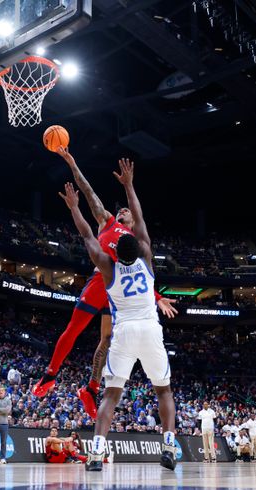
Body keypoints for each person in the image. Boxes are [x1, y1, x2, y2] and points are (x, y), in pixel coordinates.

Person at [32, 150, 177, 420]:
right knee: (74, 329)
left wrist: (157, 297)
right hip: (101, 282)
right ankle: (50, 375)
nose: (123, 209)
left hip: (121, 295)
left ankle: (91, 389)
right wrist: (73, 163)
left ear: (133, 220)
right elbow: (88, 193)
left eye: (127, 210)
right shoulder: (107, 222)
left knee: (108, 340)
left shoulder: (137, 241)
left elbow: (142, 277)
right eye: (121, 208)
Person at [58, 166, 177, 472]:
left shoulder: (107, 268)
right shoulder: (147, 258)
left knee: (111, 395)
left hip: (123, 331)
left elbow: (86, 234)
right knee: (163, 391)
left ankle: (96, 452)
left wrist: (74, 208)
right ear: (138, 246)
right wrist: (130, 186)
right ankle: (168, 447)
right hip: (150, 330)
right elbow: (140, 219)